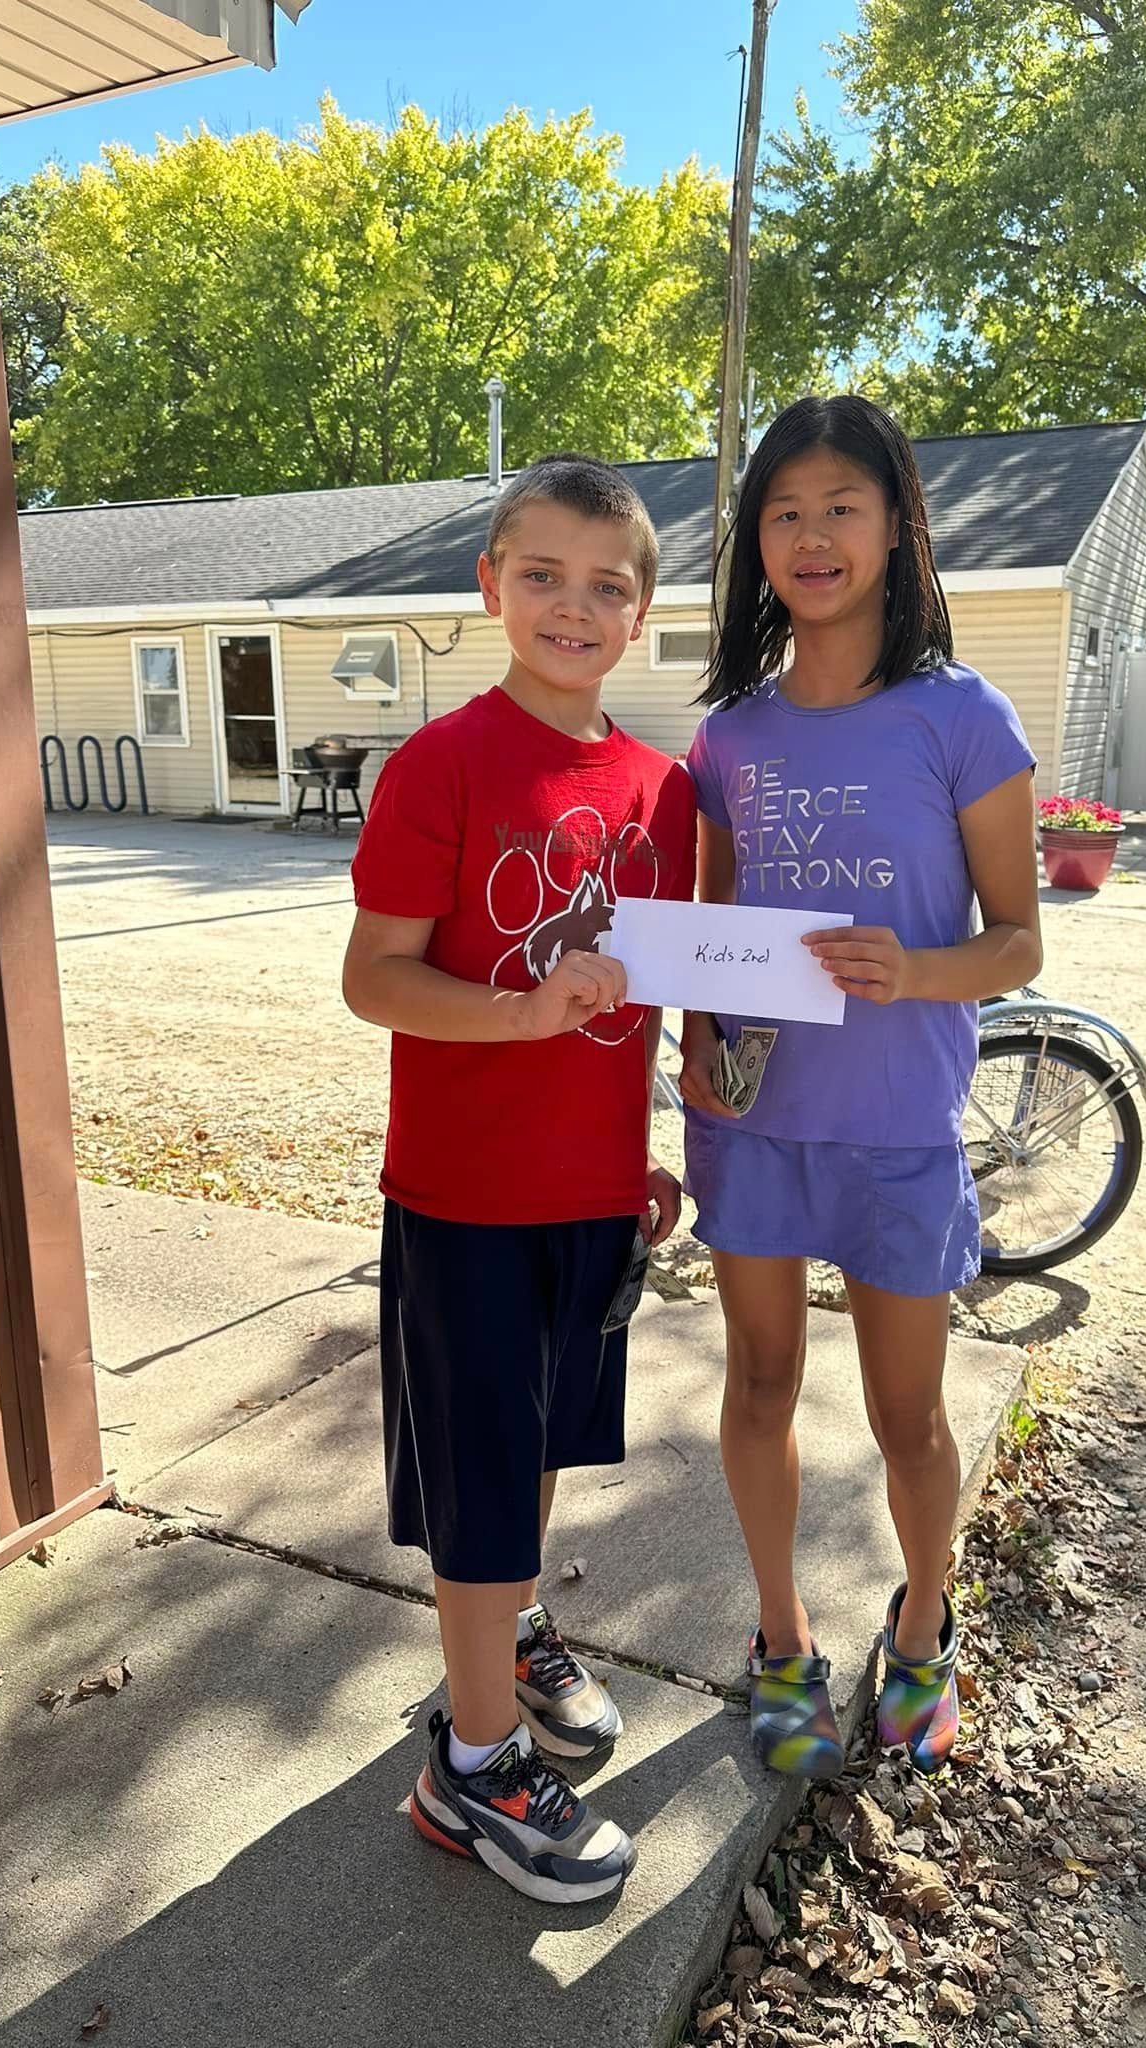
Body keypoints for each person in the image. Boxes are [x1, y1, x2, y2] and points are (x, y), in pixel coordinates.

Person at [342, 455, 697, 1902]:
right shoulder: (447, 764)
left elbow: (648, 996)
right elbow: (375, 979)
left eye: (606, 584)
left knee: (540, 1450)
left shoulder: (661, 790)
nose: (572, 604)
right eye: (541, 574)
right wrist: (515, 1012)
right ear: (491, 587)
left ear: (640, 615)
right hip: (466, 1198)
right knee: (481, 1477)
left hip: (590, 1193)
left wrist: (641, 1147)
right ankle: (472, 1772)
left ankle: (507, 1637)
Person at [679, 395, 1042, 1781]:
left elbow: (1019, 942)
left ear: (897, 527)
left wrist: (915, 968)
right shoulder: (731, 739)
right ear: (756, 540)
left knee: (911, 1421)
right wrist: (695, 1052)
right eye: (784, 510)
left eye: (842, 506)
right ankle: (780, 1640)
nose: (813, 534)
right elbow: (714, 945)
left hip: (897, 1130)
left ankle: (925, 1631)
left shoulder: (961, 715)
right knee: (760, 1381)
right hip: (755, 1130)